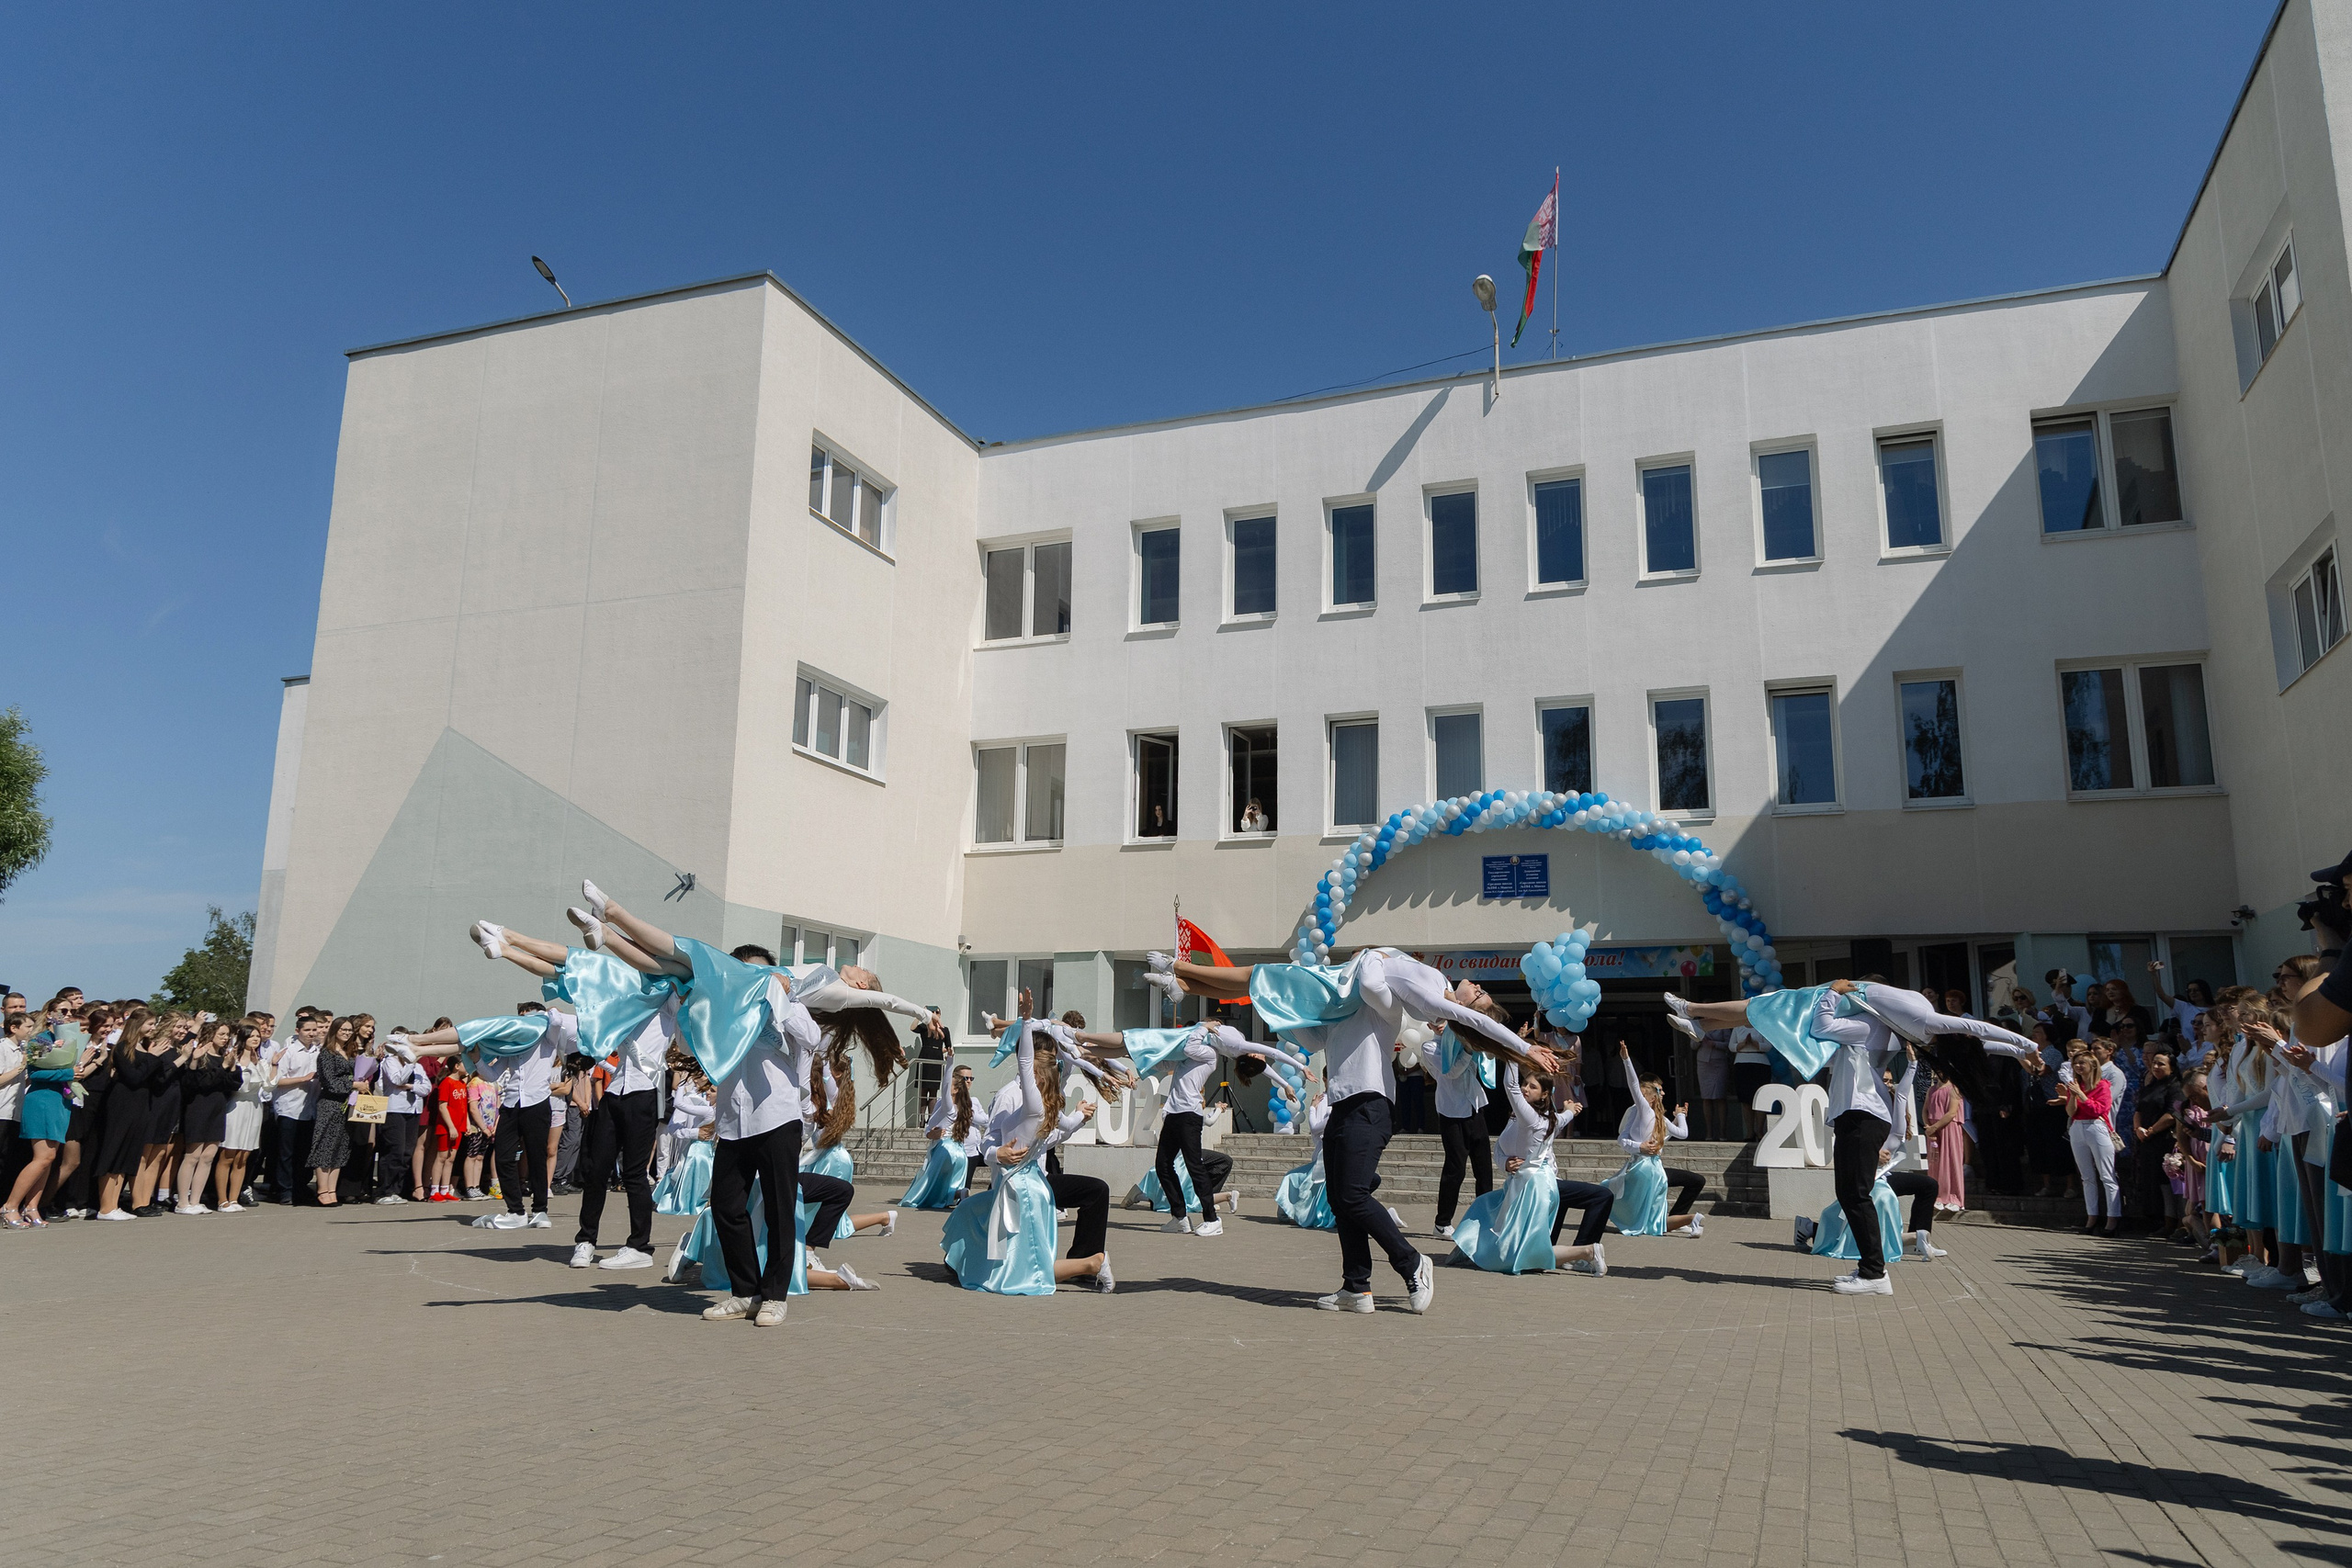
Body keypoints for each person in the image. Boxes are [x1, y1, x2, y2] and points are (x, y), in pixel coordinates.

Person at [1146, 944, 1559, 1314]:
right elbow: (1313, 1035)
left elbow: (1458, 1013)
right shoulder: (1349, 1001)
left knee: (1352, 1195)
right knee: (1342, 1200)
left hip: (1370, 1103)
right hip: (1344, 1102)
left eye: (1482, 994)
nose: (1476, 987)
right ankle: (1356, 1288)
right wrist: (1286, 1013)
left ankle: (1411, 1262)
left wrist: (1525, 1048)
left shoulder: (1409, 988)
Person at [939, 1015, 1112, 1294]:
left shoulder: (1043, 1096)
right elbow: (988, 1143)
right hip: (1011, 1181)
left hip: (1032, 1180)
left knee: (1096, 1191)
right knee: (974, 1222)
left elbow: (1054, 1134)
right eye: (1051, 1057)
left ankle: (1086, 1262)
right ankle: (1084, 1264)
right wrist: (999, 1154)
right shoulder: (1010, 1095)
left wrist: (1079, 1116)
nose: (1056, 1064)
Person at [394, 1003, 579, 1230]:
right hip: (511, 1103)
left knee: (536, 1156)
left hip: (537, 1102)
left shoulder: (547, 1037)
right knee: (503, 1156)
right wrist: (477, 1058)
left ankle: (540, 1210)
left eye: (525, 1018)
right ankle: (516, 1210)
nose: (519, 1024)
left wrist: (548, 1011)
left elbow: (558, 1022)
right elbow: (492, 1074)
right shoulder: (511, 1046)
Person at [1451, 1057, 1609, 1276]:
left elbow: (1510, 1086)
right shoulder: (1539, 1118)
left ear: (1544, 1094)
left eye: (1532, 1086)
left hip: (1535, 1186)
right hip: (1525, 1182)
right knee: (1485, 1204)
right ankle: (1472, 1248)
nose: (1525, 1088)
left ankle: (1587, 1251)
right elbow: (1560, 1120)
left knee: (1523, 1254)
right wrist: (1571, 1110)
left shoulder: (1529, 1117)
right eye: (1525, 1083)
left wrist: (1513, 1054)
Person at [1603, 1043, 1701, 1238]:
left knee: (1644, 1218)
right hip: (1649, 1168)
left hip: (1647, 1169)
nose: (1663, 1093)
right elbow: (1683, 1133)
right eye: (1659, 1090)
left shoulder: (1657, 1116)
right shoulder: (1643, 1111)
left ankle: (1691, 1219)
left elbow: (1679, 1134)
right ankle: (1689, 1219)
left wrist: (1679, 1115)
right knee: (1652, 1221)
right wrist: (1626, 1060)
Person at [1430, 1024, 1495, 1240]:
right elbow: (1451, 1071)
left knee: (1484, 1169)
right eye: (1437, 1021)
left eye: (1446, 1021)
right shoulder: (1430, 1047)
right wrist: (1467, 1049)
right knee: (1455, 1168)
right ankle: (1442, 1223)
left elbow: (1488, 1058)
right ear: (1429, 1024)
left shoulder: (1464, 1040)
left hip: (1475, 1106)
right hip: (1452, 1111)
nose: (1442, 1025)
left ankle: (1485, 1220)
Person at [2057, 1044, 2120, 1235]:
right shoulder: (2076, 1086)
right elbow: (2070, 1111)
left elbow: (2099, 1110)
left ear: (2092, 1065)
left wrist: (2081, 1094)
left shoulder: (2102, 1085)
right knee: (2086, 1176)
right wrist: (2073, 1095)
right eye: (2075, 1063)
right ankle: (2091, 1217)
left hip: (2096, 1126)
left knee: (2107, 1175)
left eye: (2082, 1063)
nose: (2077, 1066)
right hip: (2078, 1127)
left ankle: (2112, 1219)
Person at [902, 1062, 979, 1210]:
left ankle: (925, 1199)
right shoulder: (964, 1106)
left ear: (956, 1089)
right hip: (959, 1150)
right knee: (947, 1183)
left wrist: (950, 1061)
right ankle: (958, 1194)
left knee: (929, 1182)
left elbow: (945, 1087)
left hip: (945, 1148)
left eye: (949, 1084)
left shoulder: (948, 1106)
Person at [267, 1013, 322, 1204]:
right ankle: (285, 1190)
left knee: (304, 1152)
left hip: (309, 1109)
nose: (311, 1033)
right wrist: (303, 1079)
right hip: (289, 1108)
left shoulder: (318, 1051)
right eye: (307, 1030)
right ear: (297, 1031)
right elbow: (277, 1081)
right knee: (286, 1152)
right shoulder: (288, 1051)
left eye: (314, 1030)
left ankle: (300, 1187)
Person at [218, 1024, 266, 1211]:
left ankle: (234, 1198)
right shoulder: (233, 1058)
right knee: (228, 1154)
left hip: (254, 1107)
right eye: (251, 1036)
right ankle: (222, 1200)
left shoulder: (261, 1061)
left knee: (244, 1156)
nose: (255, 1039)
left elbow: (268, 1086)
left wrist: (263, 1065)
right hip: (236, 1106)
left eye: (257, 1036)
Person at [1923, 1063, 1968, 1215]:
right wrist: (1928, 1127)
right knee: (1935, 1163)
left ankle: (1955, 1198)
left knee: (1951, 1162)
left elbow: (1951, 1113)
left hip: (1949, 1129)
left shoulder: (1954, 1089)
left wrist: (1934, 1128)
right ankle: (1937, 1195)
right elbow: (1925, 1110)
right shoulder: (1932, 1089)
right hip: (1934, 1130)